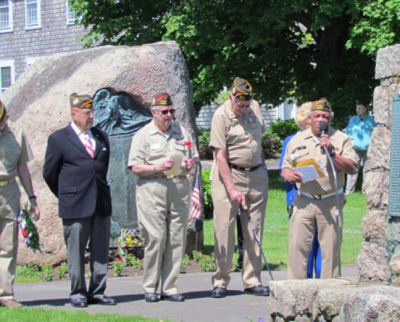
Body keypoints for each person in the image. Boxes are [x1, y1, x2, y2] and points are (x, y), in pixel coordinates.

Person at [43, 93, 115, 308]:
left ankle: (98, 291)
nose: (91, 116)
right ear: (74, 114)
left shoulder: (101, 137)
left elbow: (102, 168)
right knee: (76, 251)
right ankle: (77, 292)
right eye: (86, 113)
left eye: (92, 112)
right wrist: (67, 194)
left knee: (101, 250)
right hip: (75, 204)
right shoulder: (59, 139)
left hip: (100, 203)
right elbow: (50, 174)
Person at [128, 93, 197, 303]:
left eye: (172, 111)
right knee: (156, 238)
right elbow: (135, 166)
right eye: (165, 112)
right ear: (154, 112)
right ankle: (150, 286)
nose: (169, 116)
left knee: (177, 238)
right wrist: (157, 167)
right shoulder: (143, 135)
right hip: (152, 188)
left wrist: (188, 164)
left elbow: (191, 156)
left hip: (178, 188)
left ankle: (170, 287)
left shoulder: (181, 132)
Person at [281, 98, 358, 279]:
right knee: (297, 249)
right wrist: (288, 175)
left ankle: (328, 297)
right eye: (317, 116)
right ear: (310, 118)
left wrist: (332, 152)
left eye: (325, 116)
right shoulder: (297, 140)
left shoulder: (341, 139)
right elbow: (285, 167)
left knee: (330, 252)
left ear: (330, 119)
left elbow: (352, 167)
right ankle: (296, 293)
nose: (321, 119)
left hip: (330, 201)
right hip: (304, 199)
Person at [209, 77, 269, 298]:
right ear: (231, 97)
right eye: (239, 104)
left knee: (255, 229)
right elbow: (220, 156)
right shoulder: (220, 116)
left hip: (256, 174)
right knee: (224, 229)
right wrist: (233, 189)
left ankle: (252, 280)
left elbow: (259, 137)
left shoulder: (254, 108)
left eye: (247, 104)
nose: (244, 109)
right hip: (229, 174)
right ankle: (221, 280)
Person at [0, 100, 40, 308]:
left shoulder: (17, 133)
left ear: (6, 117)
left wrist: (32, 198)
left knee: (8, 246)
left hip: (9, 191)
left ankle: (5, 294)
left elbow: (22, 167)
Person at [279, 102, 321, 278]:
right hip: (298, 197)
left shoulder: (323, 140)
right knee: (304, 246)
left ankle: (322, 281)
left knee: (322, 246)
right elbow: (283, 169)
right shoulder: (291, 141)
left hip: (322, 197)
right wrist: (289, 175)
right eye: (306, 124)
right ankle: (304, 284)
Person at [345, 101, 375, 195]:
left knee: (367, 169)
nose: (358, 110)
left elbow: (375, 133)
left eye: (360, 108)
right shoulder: (353, 119)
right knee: (353, 169)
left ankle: (365, 191)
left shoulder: (371, 120)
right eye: (357, 108)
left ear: (365, 109)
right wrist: (351, 141)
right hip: (355, 148)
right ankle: (349, 192)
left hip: (368, 148)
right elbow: (348, 132)